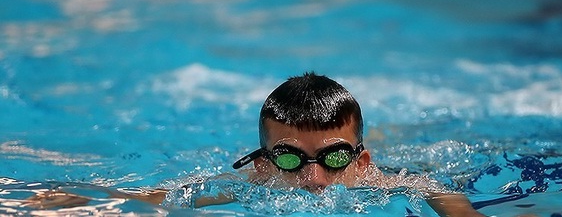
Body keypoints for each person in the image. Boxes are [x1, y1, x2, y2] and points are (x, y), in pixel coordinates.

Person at [26, 72, 535, 217]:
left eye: (334, 158)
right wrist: (77, 199)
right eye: (290, 157)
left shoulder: (380, 183)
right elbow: (159, 199)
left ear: (362, 160)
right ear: (265, 163)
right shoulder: (251, 183)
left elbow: (440, 193)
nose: (313, 179)